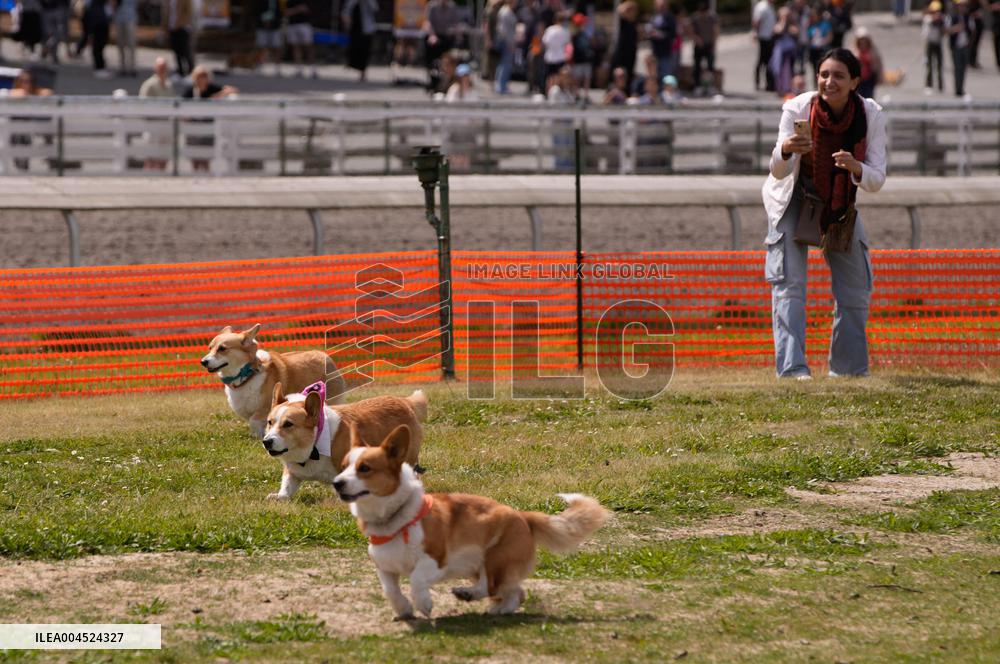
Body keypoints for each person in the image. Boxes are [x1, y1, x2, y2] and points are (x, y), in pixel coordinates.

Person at [762, 48, 886, 379]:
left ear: (855, 82)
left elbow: (876, 179)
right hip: (794, 201)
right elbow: (776, 171)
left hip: (840, 208)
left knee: (855, 288)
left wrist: (856, 167)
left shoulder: (870, 113)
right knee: (790, 286)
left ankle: (848, 371)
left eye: (839, 76)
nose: (829, 82)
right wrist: (786, 150)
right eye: (824, 75)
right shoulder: (797, 107)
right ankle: (793, 371)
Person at [182, 65, 238, 172]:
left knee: (206, 157)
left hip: (208, 127)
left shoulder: (211, 88)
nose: (202, 79)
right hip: (194, 128)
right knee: (195, 157)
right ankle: (195, 177)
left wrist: (215, 97)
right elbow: (181, 105)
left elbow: (231, 90)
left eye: (204, 76)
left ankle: (206, 177)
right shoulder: (190, 91)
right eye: (199, 76)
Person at [139, 57, 175, 171]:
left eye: (164, 67)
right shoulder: (149, 85)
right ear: (155, 69)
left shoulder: (169, 85)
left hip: (166, 125)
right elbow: (143, 105)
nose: (163, 70)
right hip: (152, 125)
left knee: (163, 156)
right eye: (160, 67)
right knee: (150, 156)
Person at [342, 0, 377, 81]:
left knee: (365, 51)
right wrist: (346, 21)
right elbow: (346, 11)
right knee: (355, 49)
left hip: (367, 29)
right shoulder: (352, 1)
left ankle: (363, 72)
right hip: (355, 29)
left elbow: (375, 9)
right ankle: (354, 65)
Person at [946, 0, 974, 97]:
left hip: (965, 46)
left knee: (963, 69)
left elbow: (972, 30)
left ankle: (961, 89)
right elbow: (946, 30)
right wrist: (956, 28)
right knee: (957, 68)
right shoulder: (952, 17)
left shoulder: (968, 17)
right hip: (956, 47)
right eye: (960, 6)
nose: (962, 8)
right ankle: (957, 90)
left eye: (964, 6)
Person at [423, 0, 462, 72]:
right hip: (434, 35)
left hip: (447, 37)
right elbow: (427, 23)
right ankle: (431, 68)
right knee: (430, 45)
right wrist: (432, 35)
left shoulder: (452, 7)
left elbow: (456, 24)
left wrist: (457, 33)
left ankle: (448, 70)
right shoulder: (432, 6)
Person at [610, 0, 639, 93]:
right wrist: (630, 4)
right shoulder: (624, 21)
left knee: (628, 78)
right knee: (618, 75)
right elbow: (619, 10)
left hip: (631, 56)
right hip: (621, 55)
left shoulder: (634, 23)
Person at [690, 0, 719, 92]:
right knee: (697, 67)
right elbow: (690, 30)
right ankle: (697, 86)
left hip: (709, 45)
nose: (702, 14)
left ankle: (710, 86)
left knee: (710, 67)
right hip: (698, 46)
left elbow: (716, 31)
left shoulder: (713, 17)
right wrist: (696, 39)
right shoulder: (695, 18)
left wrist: (714, 44)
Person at [648, 0, 678, 83]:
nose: (661, 7)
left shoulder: (670, 18)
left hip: (665, 51)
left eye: (663, 5)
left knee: (666, 73)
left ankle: (666, 92)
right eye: (659, 6)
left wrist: (661, 35)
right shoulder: (654, 17)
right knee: (655, 73)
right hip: (655, 50)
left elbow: (673, 34)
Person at [286, 0, 317, 78]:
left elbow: (310, 10)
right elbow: (286, 12)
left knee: (309, 47)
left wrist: (295, 10)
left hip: (305, 25)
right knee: (296, 47)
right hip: (292, 25)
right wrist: (298, 9)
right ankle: (298, 69)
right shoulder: (289, 1)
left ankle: (313, 69)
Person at [163, 0, 194, 76]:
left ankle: (191, 71)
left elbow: (189, 12)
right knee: (176, 51)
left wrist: (180, 24)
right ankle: (180, 71)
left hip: (182, 28)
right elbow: (167, 13)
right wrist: (165, 26)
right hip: (172, 28)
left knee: (185, 51)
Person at [752, 0, 777, 91]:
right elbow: (756, 21)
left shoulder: (771, 6)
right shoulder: (762, 7)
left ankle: (769, 84)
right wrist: (755, 32)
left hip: (771, 37)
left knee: (769, 61)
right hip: (764, 37)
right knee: (762, 60)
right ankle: (757, 82)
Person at [493, 0, 517, 94]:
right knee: (505, 64)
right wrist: (510, 43)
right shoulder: (505, 12)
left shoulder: (507, 11)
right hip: (506, 41)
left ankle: (502, 85)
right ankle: (501, 86)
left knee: (504, 64)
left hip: (507, 40)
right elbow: (503, 30)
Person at [541, 11, 571, 83]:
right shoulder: (565, 31)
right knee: (558, 77)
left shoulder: (550, 30)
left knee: (549, 77)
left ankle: (548, 92)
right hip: (560, 56)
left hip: (550, 56)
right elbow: (567, 44)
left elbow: (545, 42)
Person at [83, 0, 110, 77]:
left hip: (101, 22)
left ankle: (100, 66)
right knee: (97, 46)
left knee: (100, 45)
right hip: (97, 22)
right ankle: (99, 67)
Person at [922, 1, 945, 93]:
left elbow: (944, 30)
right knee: (929, 65)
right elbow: (928, 27)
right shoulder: (928, 19)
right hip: (930, 43)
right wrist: (935, 19)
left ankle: (940, 85)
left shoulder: (942, 20)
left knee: (939, 65)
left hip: (938, 43)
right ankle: (929, 84)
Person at [853, 28, 881, 100]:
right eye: (861, 40)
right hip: (858, 80)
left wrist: (879, 76)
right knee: (858, 98)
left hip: (869, 79)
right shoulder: (854, 51)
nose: (863, 42)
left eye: (864, 40)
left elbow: (878, 65)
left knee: (869, 98)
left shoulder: (873, 51)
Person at [256, 0, 283, 76]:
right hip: (262, 27)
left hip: (275, 27)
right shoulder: (260, 2)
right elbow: (256, 11)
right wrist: (263, 21)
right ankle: (260, 65)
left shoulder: (277, 1)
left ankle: (277, 67)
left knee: (277, 47)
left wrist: (276, 22)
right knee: (262, 47)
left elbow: (279, 13)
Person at [569, 12, 594, 90]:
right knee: (577, 78)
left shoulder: (586, 34)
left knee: (587, 78)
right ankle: (576, 93)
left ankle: (586, 95)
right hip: (578, 60)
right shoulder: (574, 35)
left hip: (586, 59)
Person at [807, 10, 833, 83]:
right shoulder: (811, 25)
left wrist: (823, 42)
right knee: (814, 70)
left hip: (823, 50)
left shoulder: (826, 24)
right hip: (813, 50)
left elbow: (830, 36)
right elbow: (809, 37)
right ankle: (816, 85)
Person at [114, 0, 137, 76]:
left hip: (131, 18)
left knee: (131, 44)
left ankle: (132, 67)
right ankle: (122, 67)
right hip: (119, 18)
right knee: (120, 44)